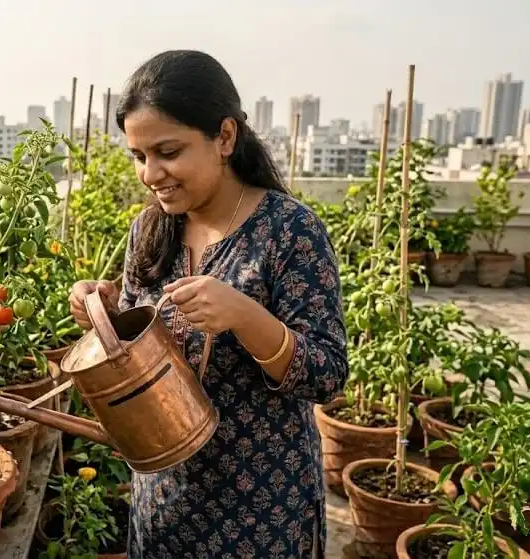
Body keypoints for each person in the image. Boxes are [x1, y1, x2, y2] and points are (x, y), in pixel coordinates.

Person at [69, 50, 348, 559]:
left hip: (260, 507)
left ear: (224, 137)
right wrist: (104, 311)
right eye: (139, 156)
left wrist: (247, 317)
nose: (151, 173)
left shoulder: (289, 232)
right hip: (164, 499)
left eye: (168, 152)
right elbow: (135, 347)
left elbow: (327, 374)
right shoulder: (151, 230)